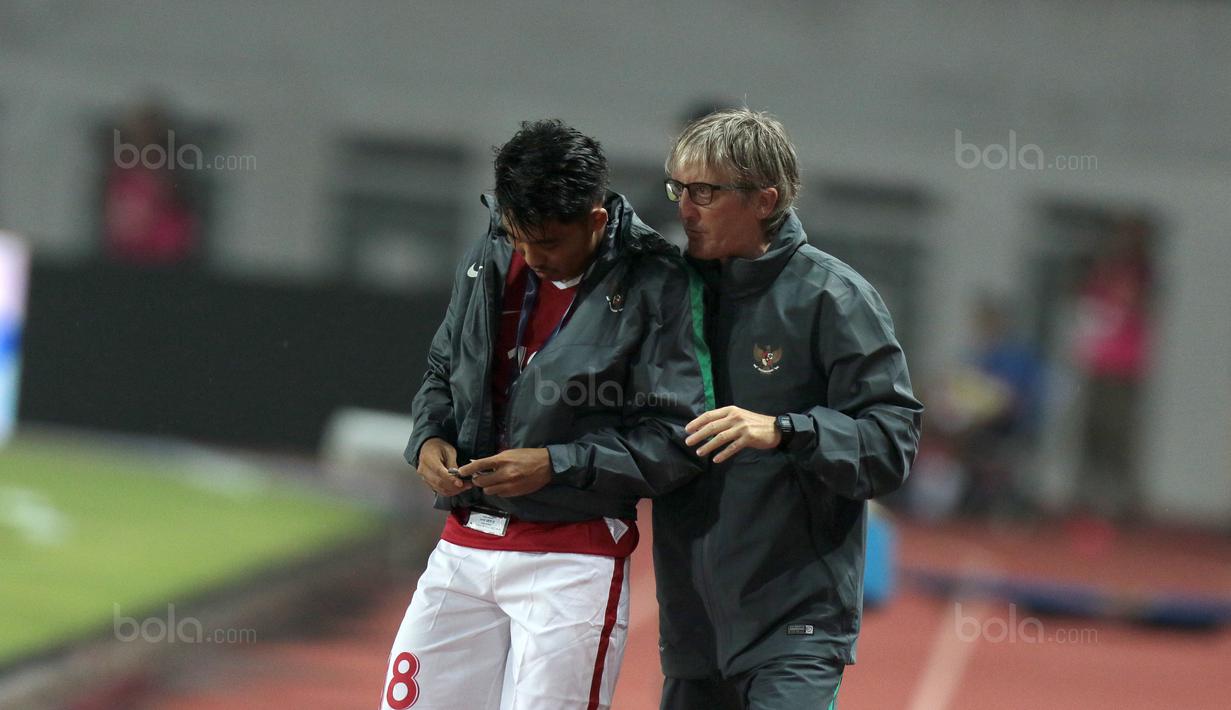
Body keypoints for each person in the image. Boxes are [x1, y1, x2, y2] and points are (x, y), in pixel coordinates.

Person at [381, 120, 712, 710]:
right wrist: (429, 436)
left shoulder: (656, 282)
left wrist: (557, 465)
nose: (531, 256)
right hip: (463, 546)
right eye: (517, 234)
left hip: (572, 557)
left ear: (596, 220)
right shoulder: (490, 253)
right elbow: (442, 367)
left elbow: (676, 439)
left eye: (550, 243)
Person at [653, 108, 924, 709]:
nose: (684, 207)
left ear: (763, 199)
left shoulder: (835, 297)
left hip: (794, 626)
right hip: (693, 625)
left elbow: (891, 446)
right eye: (679, 188)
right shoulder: (670, 292)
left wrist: (782, 430)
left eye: (704, 191)